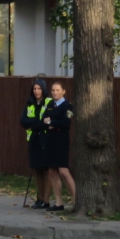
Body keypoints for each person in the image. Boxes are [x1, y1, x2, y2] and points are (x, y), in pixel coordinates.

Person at [43, 81, 76, 211]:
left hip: (61, 139)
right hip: (50, 138)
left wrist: (52, 122)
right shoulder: (50, 105)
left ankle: (76, 200)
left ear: (63, 91)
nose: (54, 93)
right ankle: (58, 202)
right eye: (53, 90)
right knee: (52, 171)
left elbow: (66, 123)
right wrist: (51, 123)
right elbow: (44, 120)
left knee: (63, 171)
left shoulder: (68, 106)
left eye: (57, 90)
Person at [20, 77, 51, 209]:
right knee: (37, 169)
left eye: (39, 88)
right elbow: (23, 121)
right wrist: (37, 124)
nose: (37, 91)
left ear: (43, 89)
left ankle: (46, 199)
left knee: (47, 169)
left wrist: (34, 124)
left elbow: (48, 122)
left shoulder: (49, 102)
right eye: (35, 89)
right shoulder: (30, 103)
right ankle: (40, 198)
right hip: (34, 140)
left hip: (46, 140)